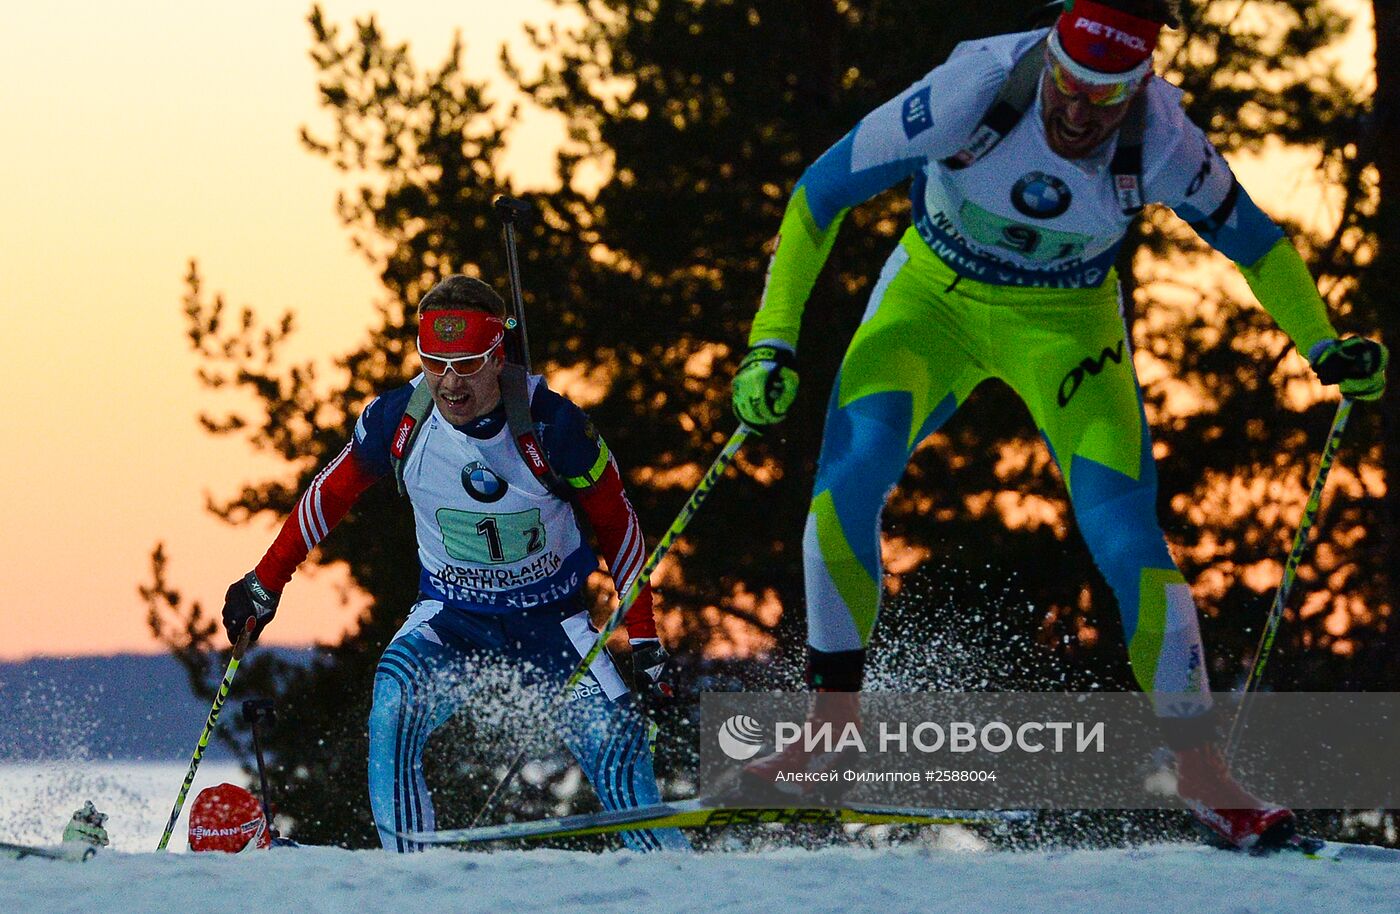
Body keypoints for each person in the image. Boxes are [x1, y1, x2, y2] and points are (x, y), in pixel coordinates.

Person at [730, 0, 1387, 850]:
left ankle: (1202, 772)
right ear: (1049, 54)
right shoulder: (976, 86)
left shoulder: (1165, 138)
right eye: (1068, 87)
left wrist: (1323, 344)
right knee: (845, 486)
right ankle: (829, 739)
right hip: (932, 306)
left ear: (1143, 81)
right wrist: (768, 346)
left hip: (1068, 329)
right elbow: (821, 191)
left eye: (1104, 98)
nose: (1078, 114)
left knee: (1127, 537)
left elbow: (1257, 243)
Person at [222, 274, 689, 853]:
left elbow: (619, 527)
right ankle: (412, 877)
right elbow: (329, 494)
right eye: (434, 362)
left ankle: (672, 874)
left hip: (554, 628)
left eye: (466, 363)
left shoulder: (558, 429)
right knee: (392, 699)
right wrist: (263, 583)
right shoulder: (399, 420)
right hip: (451, 619)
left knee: (616, 747)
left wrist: (642, 634)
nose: (448, 381)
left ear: (498, 356)